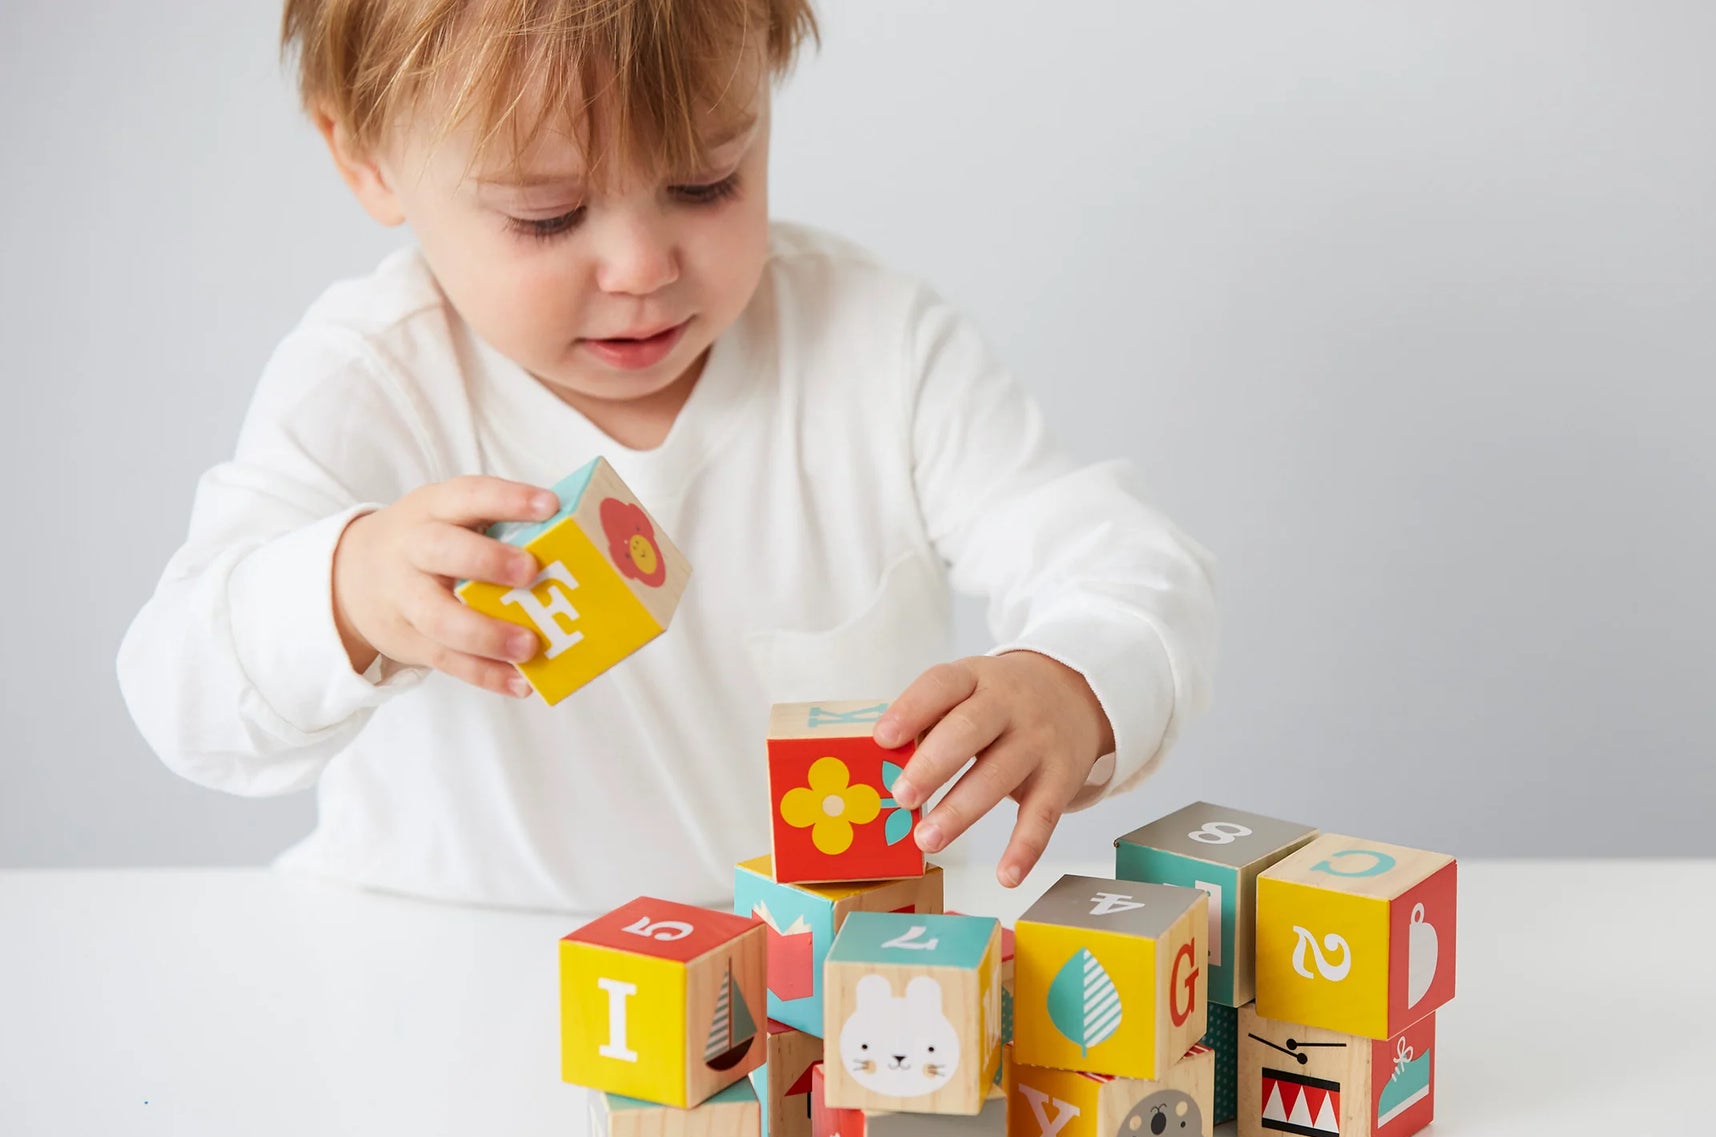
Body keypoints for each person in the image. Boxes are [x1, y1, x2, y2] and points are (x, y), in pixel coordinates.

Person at [117, 0, 1217, 912]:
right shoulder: (372, 380)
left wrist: (1074, 678)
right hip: (447, 965)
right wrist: (351, 590)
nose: (641, 265)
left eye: (706, 183)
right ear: (365, 160)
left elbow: (1121, 563)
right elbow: (181, 694)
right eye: (546, 216)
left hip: (814, 998)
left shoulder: (875, 343)